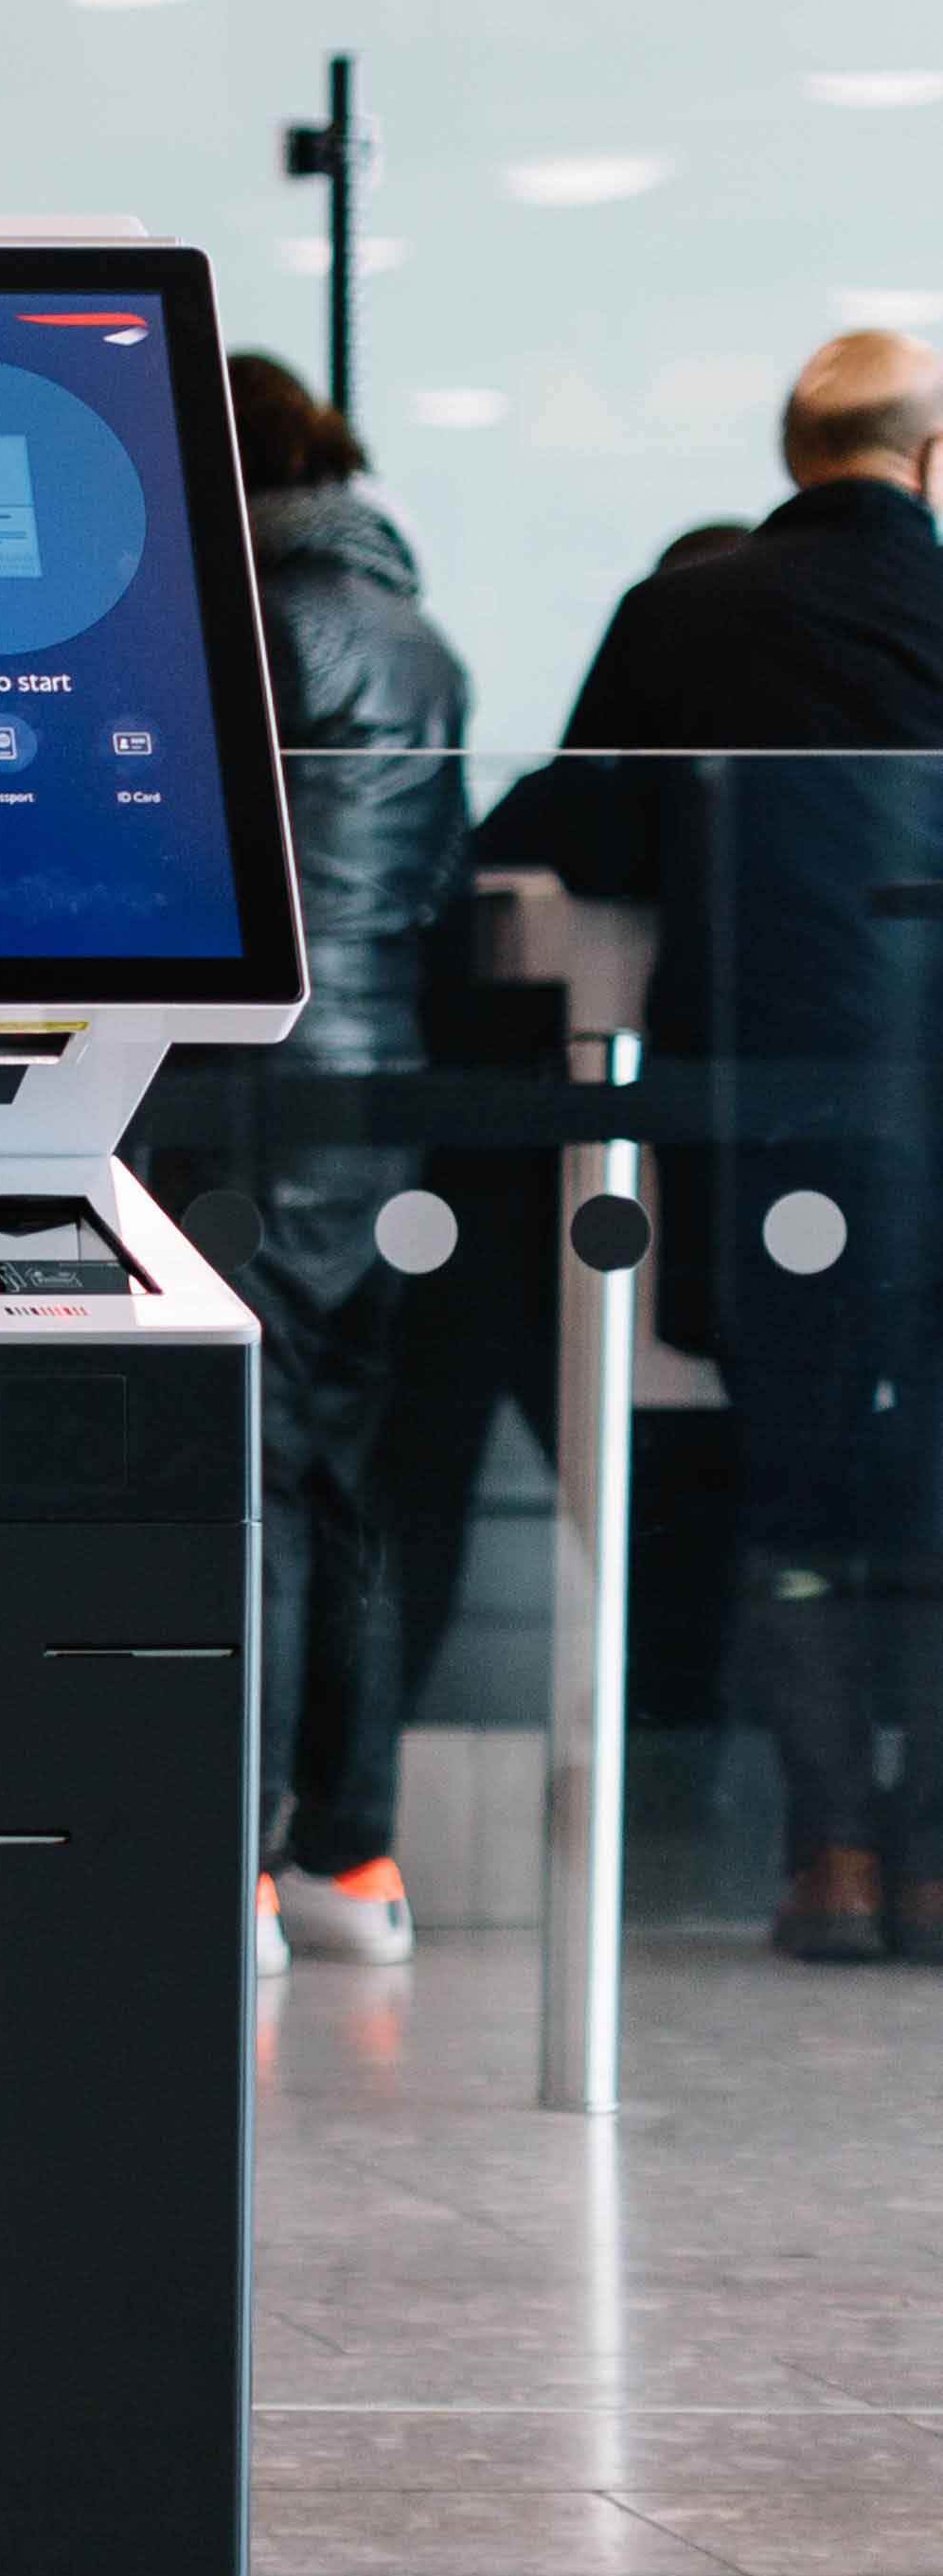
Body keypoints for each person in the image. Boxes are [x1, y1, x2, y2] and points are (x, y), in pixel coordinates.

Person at [515, 330, 943, 1963]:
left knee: (799, 1484)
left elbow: (584, 827)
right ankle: (940, 1857)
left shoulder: (686, 613)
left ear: (794, 453)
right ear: (930, 456)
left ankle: (830, 1849)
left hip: (774, 1126)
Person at [216, 353, 471, 1977]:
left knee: (244, 1470)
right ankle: (356, 1851)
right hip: (385, 1076)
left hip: (246, 1076)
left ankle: (234, 1858)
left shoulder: (246, 628)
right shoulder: (421, 638)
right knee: (348, 1469)